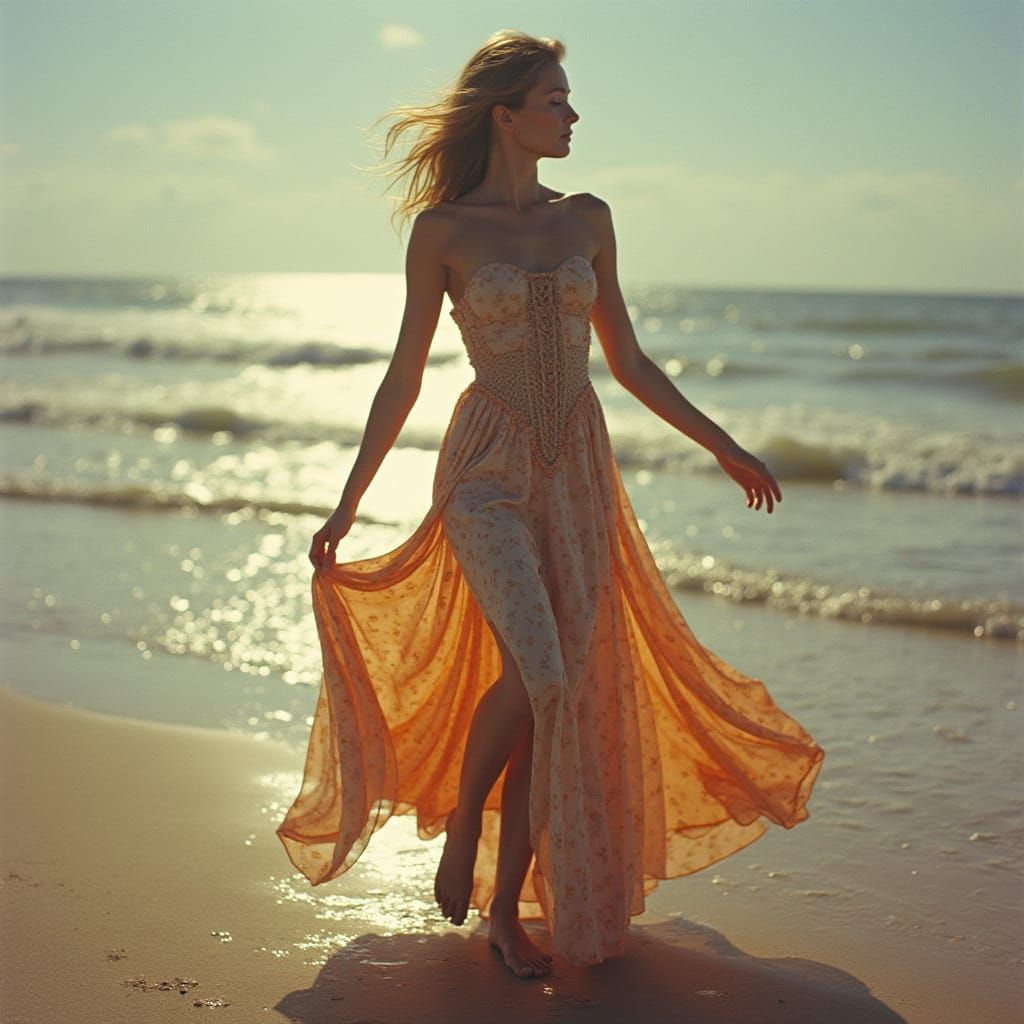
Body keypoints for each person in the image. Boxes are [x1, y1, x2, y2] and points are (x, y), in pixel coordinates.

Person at [276, 29, 824, 980]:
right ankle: (462, 830)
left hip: (578, 468)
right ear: (507, 114)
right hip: (484, 466)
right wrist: (347, 502)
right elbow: (403, 376)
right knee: (543, 670)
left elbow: (631, 359)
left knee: (555, 697)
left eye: (569, 101)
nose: (572, 116)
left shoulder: (589, 218)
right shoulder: (444, 231)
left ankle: (504, 913)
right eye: (557, 100)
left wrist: (724, 444)